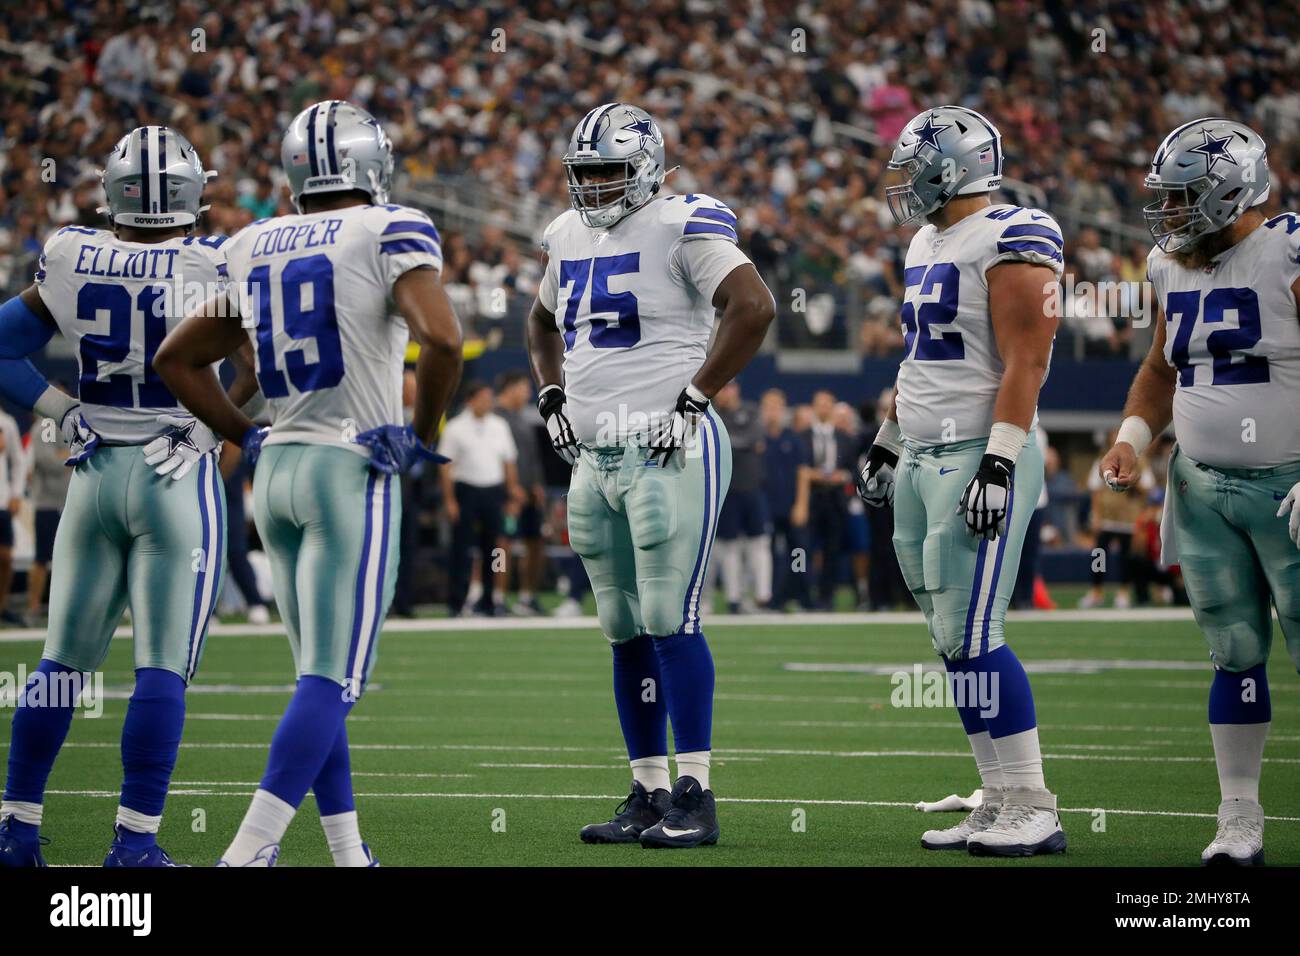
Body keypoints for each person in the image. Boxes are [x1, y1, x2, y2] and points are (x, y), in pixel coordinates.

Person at [152, 100, 463, 866]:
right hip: (351, 466)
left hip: (278, 469)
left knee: (316, 675)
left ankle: (349, 852)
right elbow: (444, 338)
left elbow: (178, 359)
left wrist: (242, 432)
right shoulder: (389, 227)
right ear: (371, 165)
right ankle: (250, 850)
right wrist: (422, 437)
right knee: (333, 678)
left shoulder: (251, 242)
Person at [526, 103, 774, 849]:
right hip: (594, 458)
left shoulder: (683, 219)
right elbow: (540, 322)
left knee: (670, 616)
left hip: (671, 448)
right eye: (584, 172)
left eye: (607, 170)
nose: (594, 185)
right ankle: (648, 788)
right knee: (621, 627)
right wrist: (551, 394)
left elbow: (752, 306)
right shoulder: (566, 235)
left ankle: (695, 793)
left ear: (643, 168)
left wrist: (694, 397)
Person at [0, 126, 243, 867]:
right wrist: (222, 427)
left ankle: (15, 832)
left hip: (94, 473)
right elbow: (272, 358)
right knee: (162, 665)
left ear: (114, 191)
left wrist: (60, 411)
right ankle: (134, 842)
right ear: (191, 192)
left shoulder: (71, 253)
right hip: (177, 475)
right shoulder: (216, 261)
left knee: (59, 663)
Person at [859, 106, 1067, 856]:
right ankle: (998, 798)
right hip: (920, 454)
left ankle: (1035, 804)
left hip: (980, 453)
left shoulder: (1016, 232)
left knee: (978, 634)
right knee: (951, 641)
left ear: (955, 166)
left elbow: (1027, 362)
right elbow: (922, 357)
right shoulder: (925, 238)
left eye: (914, 167)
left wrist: (1002, 460)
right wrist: (887, 439)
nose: (903, 183)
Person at [1099, 118, 1300, 866]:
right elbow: (1160, 368)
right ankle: (1239, 815)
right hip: (1204, 490)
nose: (1170, 214)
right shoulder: (1167, 263)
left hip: (1291, 489)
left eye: (1184, 198)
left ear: (1231, 191)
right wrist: (1130, 438)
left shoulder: (1288, 251)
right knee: (1234, 651)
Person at [437, 380, 521, 617]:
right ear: (470, 400)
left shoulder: (499, 425)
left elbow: (509, 461)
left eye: (489, 398)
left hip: (493, 492)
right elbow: (445, 467)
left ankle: (490, 598)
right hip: (466, 491)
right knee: (461, 548)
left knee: (495, 549)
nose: (488, 403)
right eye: (483, 398)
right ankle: (457, 600)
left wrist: (511, 491)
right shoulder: (455, 427)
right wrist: (450, 500)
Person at [713, 381, 772, 613]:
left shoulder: (751, 411)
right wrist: (741, 443)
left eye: (725, 389)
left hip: (752, 487)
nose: (722, 394)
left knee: (759, 542)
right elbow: (720, 441)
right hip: (727, 489)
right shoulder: (714, 414)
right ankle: (734, 597)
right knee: (729, 546)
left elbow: (755, 438)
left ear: (734, 389)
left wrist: (732, 442)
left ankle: (763, 595)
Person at [494, 370, 547, 615]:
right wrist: (509, 490)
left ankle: (527, 597)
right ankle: (498, 596)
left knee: (535, 542)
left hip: (528, 493)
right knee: (502, 544)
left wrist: (536, 484)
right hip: (506, 495)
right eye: (524, 388)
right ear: (510, 388)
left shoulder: (523, 419)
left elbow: (533, 458)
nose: (528, 394)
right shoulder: (495, 419)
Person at [760, 389, 811, 610]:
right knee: (770, 554)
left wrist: (801, 504)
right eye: (768, 407)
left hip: (791, 506)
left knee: (797, 552)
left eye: (776, 407)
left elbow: (803, 472)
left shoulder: (794, 438)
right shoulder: (758, 439)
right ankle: (774, 598)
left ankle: (800, 594)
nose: (772, 412)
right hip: (766, 507)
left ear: (783, 410)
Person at [804, 389, 855, 610]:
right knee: (804, 548)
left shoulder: (844, 437)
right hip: (812, 497)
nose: (824, 407)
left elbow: (853, 468)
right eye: (820, 403)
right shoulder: (803, 436)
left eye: (828, 404)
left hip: (835, 499)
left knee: (832, 549)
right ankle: (805, 594)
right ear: (814, 407)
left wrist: (841, 476)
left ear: (833, 408)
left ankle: (827, 596)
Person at [24, 411, 72, 621]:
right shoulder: (46, 425)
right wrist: (70, 454)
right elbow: (49, 461)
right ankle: (33, 607)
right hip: (48, 502)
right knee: (42, 557)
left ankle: (68, 608)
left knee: (73, 557)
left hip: (70, 501)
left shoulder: (71, 424)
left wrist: (66, 453)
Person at [0, 410, 25, 626]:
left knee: (6, 557)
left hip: (2, 500)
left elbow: (18, 460)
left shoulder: (6, 423)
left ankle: (2, 606)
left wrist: (16, 493)